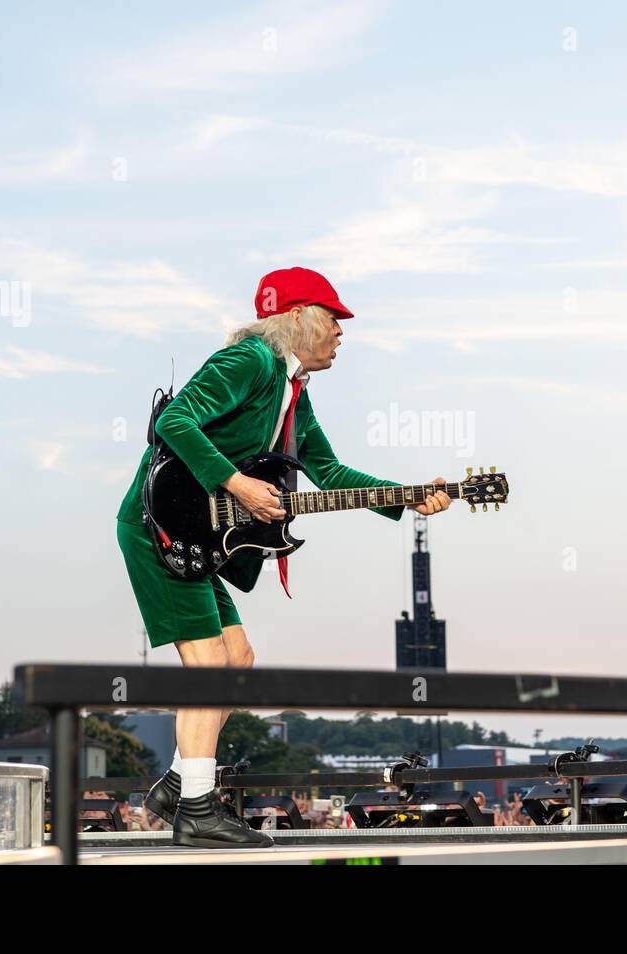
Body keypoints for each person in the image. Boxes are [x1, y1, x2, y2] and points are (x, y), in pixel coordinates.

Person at [116, 267, 452, 848]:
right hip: (160, 530)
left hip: (200, 533)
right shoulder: (250, 360)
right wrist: (241, 486)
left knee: (238, 659)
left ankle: (177, 782)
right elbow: (174, 422)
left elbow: (328, 473)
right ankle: (196, 811)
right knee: (208, 664)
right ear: (295, 318)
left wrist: (408, 497)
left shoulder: (296, 394)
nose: (342, 331)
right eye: (333, 318)